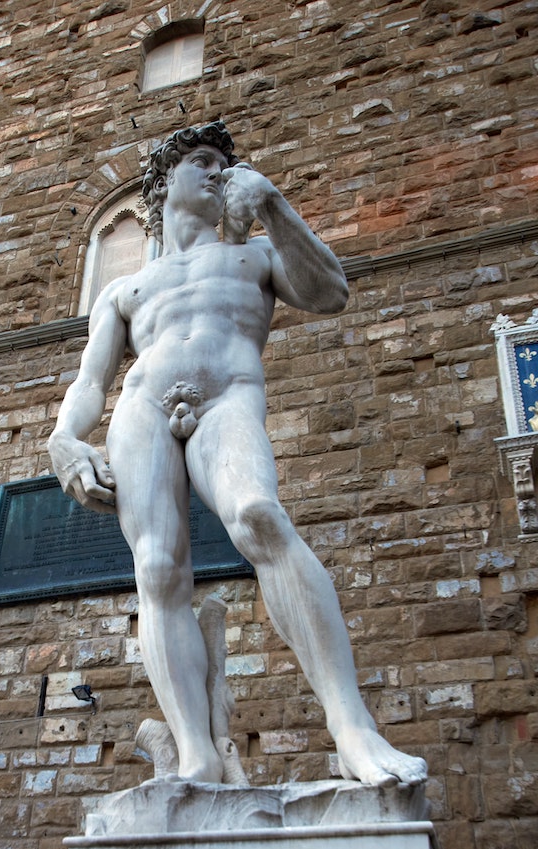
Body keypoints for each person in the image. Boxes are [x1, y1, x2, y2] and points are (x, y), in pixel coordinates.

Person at [48, 121, 427, 788]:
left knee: (259, 516)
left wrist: (275, 205)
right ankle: (195, 754)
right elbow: (90, 381)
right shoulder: (123, 290)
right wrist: (63, 439)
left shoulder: (254, 255)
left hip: (227, 398)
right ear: (166, 183)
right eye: (203, 162)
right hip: (141, 409)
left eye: (226, 164)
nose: (219, 172)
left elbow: (330, 291)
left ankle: (352, 728)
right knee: (159, 570)